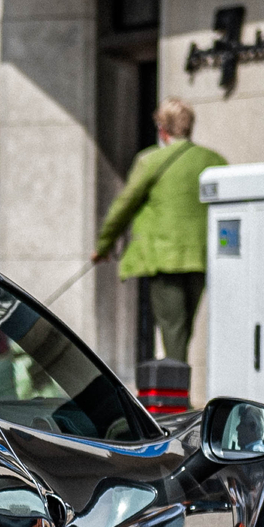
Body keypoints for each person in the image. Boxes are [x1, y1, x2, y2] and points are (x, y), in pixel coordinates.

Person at [92, 98, 226, 362]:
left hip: (164, 257)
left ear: (163, 129)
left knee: (173, 329)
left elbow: (123, 206)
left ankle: (177, 398)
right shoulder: (214, 160)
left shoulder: (150, 160)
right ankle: (179, 390)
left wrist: (103, 247)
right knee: (184, 330)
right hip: (201, 257)